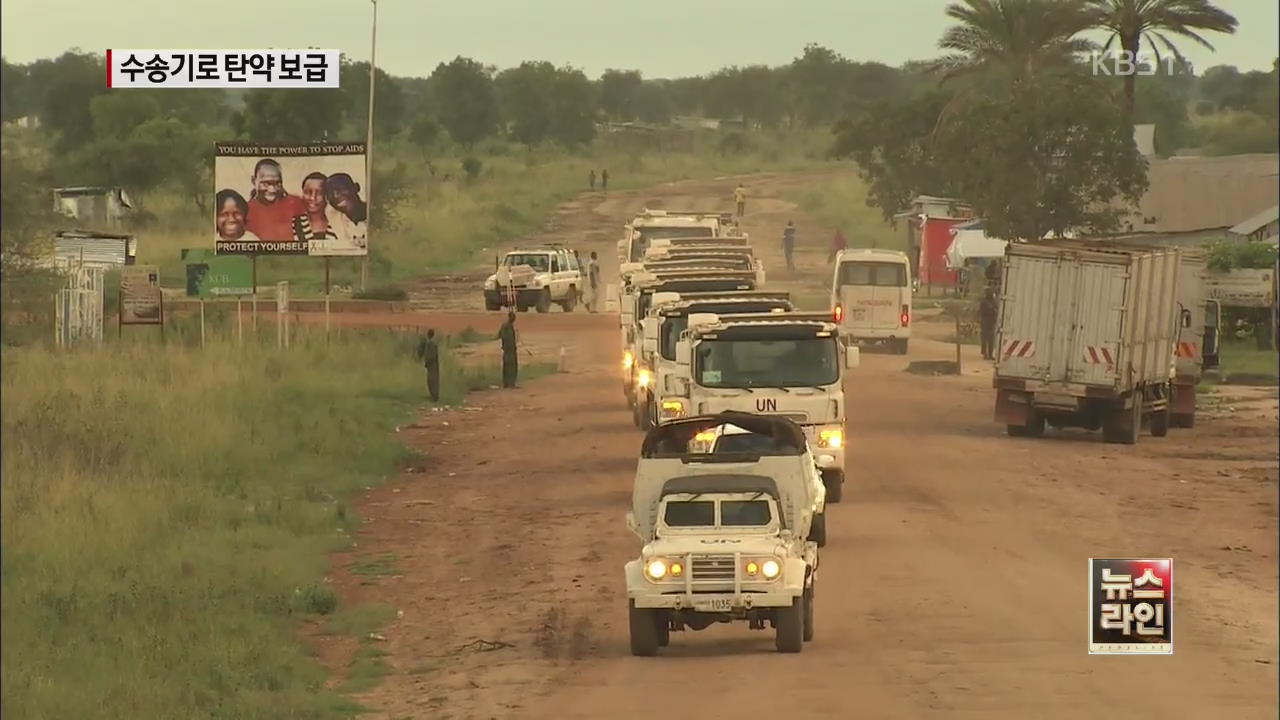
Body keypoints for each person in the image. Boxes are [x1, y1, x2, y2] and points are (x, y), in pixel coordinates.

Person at [245, 159, 307, 241]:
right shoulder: (245, 211)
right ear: (253, 181)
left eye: (277, 183)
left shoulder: (295, 203)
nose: (272, 189)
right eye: (266, 183)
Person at [323, 173, 369, 253]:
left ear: (356, 188)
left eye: (340, 188)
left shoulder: (377, 214)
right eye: (330, 193)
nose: (335, 195)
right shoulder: (335, 218)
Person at [418, 328, 441, 401]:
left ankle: (434, 396)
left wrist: (427, 361)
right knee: (431, 380)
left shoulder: (431, 344)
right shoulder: (431, 343)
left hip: (432, 365)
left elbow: (431, 355)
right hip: (432, 365)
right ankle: (433, 396)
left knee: (432, 380)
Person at [498, 311, 519, 388]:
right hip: (509, 349)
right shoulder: (507, 326)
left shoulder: (506, 326)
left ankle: (507, 383)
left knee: (507, 366)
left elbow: (499, 335)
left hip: (508, 349)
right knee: (511, 366)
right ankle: (510, 383)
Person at [979, 289, 999, 360]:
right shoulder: (984, 302)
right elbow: (983, 311)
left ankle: (989, 354)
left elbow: (996, 310)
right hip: (985, 322)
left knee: (990, 339)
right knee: (985, 339)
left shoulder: (993, 302)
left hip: (990, 322)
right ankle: (985, 354)